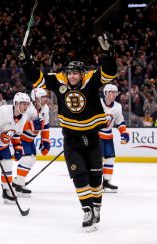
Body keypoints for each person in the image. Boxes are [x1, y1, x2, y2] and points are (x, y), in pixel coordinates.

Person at [15, 32, 117, 232]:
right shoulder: (59, 81)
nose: (71, 76)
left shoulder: (91, 80)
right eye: (69, 73)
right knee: (79, 176)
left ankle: (97, 206)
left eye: (75, 73)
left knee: (96, 179)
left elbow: (110, 72)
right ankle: (87, 210)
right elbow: (37, 78)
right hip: (71, 140)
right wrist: (26, 61)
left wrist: (108, 54)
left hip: (92, 138)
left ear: (81, 74)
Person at [12, 88, 50, 197]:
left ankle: (17, 181)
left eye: (46, 97)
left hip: (30, 139)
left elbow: (45, 126)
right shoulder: (28, 109)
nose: (46, 99)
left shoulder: (45, 108)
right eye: (43, 97)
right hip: (21, 137)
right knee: (26, 158)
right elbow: (17, 124)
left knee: (32, 159)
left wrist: (45, 141)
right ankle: (19, 186)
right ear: (36, 99)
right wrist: (31, 125)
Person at [99, 84, 130, 193]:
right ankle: (96, 183)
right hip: (96, 136)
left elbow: (120, 122)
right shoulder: (97, 103)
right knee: (96, 160)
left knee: (110, 159)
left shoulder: (117, 106)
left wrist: (124, 133)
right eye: (112, 92)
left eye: (115, 92)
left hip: (108, 136)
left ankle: (106, 182)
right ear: (106, 93)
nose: (114, 94)